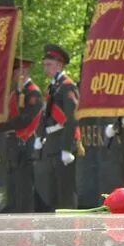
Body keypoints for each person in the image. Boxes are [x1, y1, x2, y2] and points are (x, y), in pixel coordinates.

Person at [0, 57, 43, 213]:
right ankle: (14, 210)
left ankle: (25, 214)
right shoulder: (16, 92)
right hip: (13, 141)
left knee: (24, 182)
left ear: (23, 72)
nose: (12, 75)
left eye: (14, 71)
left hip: (25, 141)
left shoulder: (33, 92)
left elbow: (25, 120)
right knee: (13, 179)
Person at [34, 43, 79, 210]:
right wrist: (40, 136)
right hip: (52, 142)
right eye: (44, 64)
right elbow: (45, 114)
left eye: (49, 65)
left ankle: (70, 230)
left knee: (66, 190)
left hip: (63, 141)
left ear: (59, 65)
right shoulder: (53, 87)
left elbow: (72, 118)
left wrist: (67, 148)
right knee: (53, 190)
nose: (46, 68)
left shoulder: (67, 86)